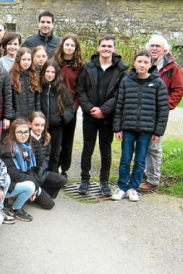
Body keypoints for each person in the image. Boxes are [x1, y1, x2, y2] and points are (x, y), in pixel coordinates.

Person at [76, 34, 129, 197]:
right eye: (103, 46)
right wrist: (91, 108)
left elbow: (120, 93)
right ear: (98, 48)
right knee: (88, 148)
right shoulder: (88, 67)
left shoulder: (121, 69)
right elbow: (80, 89)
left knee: (106, 150)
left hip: (108, 117)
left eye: (109, 46)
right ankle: (85, 179)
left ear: (114, 49)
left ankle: (104, 181)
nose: (106, 49)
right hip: (90, 116)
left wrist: (104, 110)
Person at [112, 51, 169, 201]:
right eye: (139, 62)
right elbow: (119, 106)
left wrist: (158, 131)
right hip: (128, 128)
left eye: (145, 62)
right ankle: (122, 186)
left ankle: (133, 188)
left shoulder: (158, 83)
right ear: (134, 63)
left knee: (140, 160)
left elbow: (163, 109)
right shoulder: (126, 81)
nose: (142, 65)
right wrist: (117, 128)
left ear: (151, 64)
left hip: (146, 130)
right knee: (125, 159)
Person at [139, 35, 183, 191]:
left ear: (165, 49)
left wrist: (165, 106)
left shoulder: (172, 68)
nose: (154, 49)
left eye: (158, 46)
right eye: (152, 46)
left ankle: (153, 180)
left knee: (154, 145)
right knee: (141, 143)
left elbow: (178, 90)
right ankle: (142, 173)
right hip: (141, 111)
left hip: (158, 113)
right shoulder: (143, 62)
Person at [53, 34, 85, 177]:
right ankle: (53, 167)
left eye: (72, 45)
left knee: (67, 140)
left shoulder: (80, 66)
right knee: (55, 139)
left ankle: (64, 168)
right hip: (55, 105)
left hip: (71, 107)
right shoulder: (54, 62)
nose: (69, 48)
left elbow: (81, 88)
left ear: (76, 48)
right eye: (67, 44)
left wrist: (74, 108)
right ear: (62, 45)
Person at [0, 118, 39, 221]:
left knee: (48, 203)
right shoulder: (6, 148)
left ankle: (14, 203)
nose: (24, 135)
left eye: (26, 132)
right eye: (20, 132)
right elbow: (14, 175)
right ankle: (15, 209)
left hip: (18, 181)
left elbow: (30, 169)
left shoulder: (27, 146)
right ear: (13, 132)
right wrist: (36, 185)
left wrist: (36, 187)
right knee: (31, 186)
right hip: (4, 186)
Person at [39, 60, 75, 172]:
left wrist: (62, 119)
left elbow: (70, 107)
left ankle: (53, 174)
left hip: (56, 127)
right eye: (47, 71)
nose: (49, 74)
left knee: (54, 153)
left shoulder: (62, 89)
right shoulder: (39, 87)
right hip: (40, 127)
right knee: (40, 152)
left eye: (52, 72)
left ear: (56, 74)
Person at [28, 112, 68, 209]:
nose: (39, 128)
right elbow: (26, 164)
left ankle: (41, 193)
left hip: (41, 172)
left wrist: (41, 172)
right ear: (29, 124)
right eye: (36, 125)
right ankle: (33, 194)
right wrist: (36, 179)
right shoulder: (26, 138)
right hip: (30, 175)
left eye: (42, 125)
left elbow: (47, 157)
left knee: (62, 179)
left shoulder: (46, 137)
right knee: (49, 205)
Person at [9, 47, 41, 119]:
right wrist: (14, 115)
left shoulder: (34, 75)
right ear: (18, 60)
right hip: (17, 117)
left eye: (29, 59)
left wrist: (37, 114)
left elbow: (37, 99)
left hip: (32, 117)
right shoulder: (12, 76)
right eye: (24, 59)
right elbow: (9, 99)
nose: (26, 62)